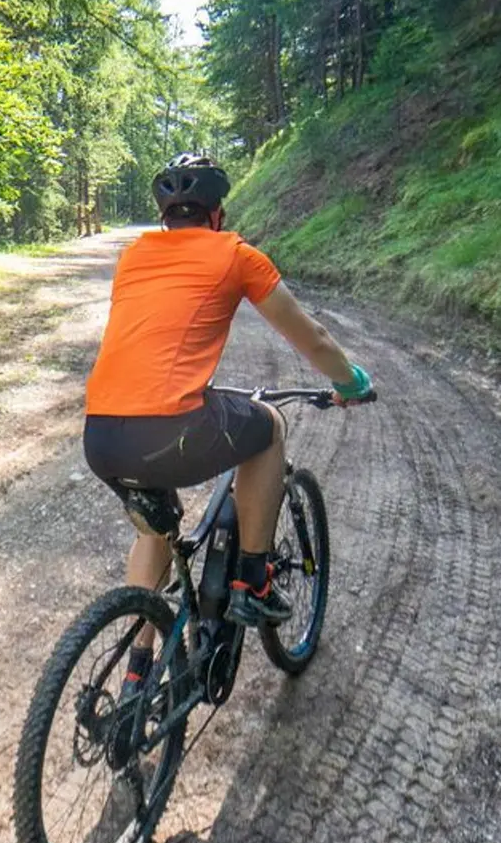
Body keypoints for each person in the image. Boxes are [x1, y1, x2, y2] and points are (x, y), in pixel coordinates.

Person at [82, 153, 373, 690]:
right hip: (171, 427)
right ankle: (254, 583)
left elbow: (152, 341)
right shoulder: (236, 255)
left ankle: (135, 678)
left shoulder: (134, 257)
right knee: (268, 428)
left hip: (101, 434)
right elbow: (312, 338)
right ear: (216, 213)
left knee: (156, 531)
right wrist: (351, 382)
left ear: (166, 215)